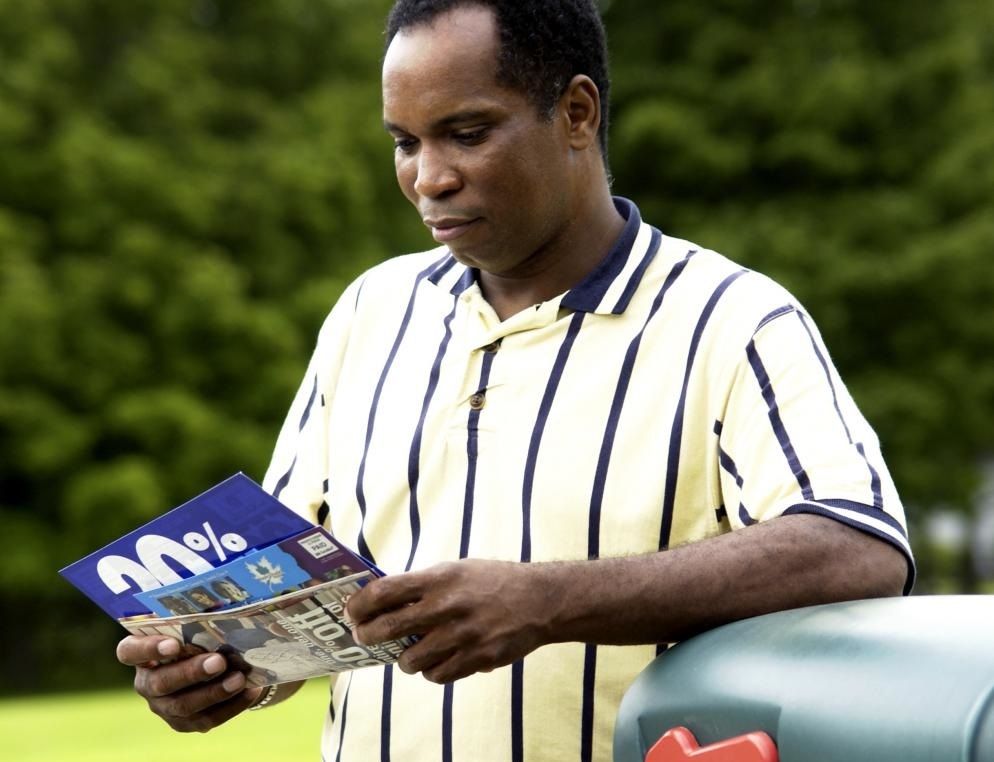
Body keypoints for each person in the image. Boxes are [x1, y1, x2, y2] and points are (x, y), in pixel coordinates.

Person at [116, 1, 913, 759]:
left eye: (466, 133)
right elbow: (287, 584)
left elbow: (859, 547)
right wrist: (220, 671)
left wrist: (546, 602)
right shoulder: (371, 311)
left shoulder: (731, 319)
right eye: (405, 142)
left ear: (576, 114)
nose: (429, 177)